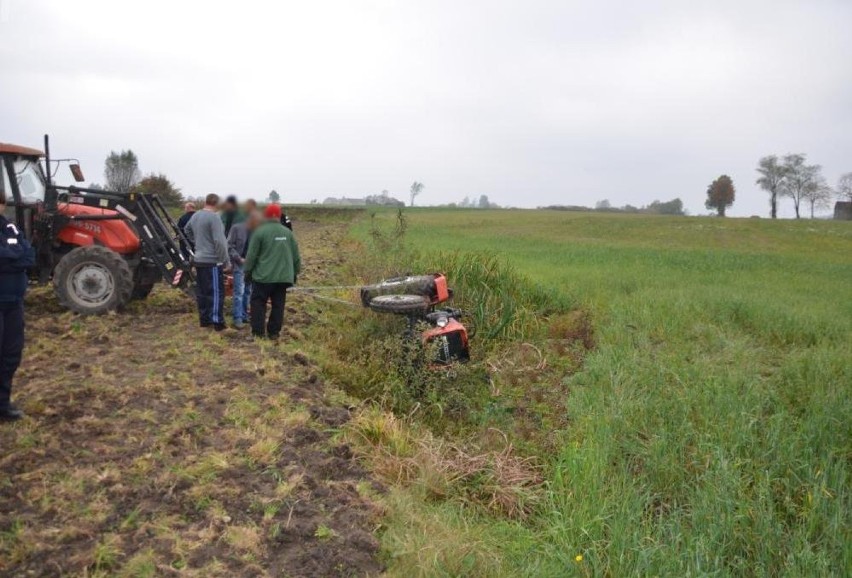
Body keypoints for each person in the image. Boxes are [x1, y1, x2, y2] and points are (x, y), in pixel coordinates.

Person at [0, 194, 35, 421]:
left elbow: (29, 255)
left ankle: (3, 405)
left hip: (14, 302)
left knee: (11, 354)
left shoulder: (10, 227)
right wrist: (15, 256)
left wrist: (11, 257)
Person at [244, 204, 300, 340]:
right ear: (279, 215)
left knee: (258, 303)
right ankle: (274, 333)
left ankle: (258, 333)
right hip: (283, 278)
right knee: (278, 305)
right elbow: (296, 256)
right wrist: (295, 273)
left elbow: (251, 256)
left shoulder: (260, 232)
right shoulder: (288, 233)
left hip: (263, 277)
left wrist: (247, 272)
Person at [186, 194, 230, 331]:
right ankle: (218, 322)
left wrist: (197, 243)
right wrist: (225, 261)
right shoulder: (215, 218)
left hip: (199, 260)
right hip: (212, 261)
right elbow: (220, 242)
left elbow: (187, 230)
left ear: (206, 202)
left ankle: (204, 320)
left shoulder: (196, 216)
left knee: (202, 292)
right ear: (216, 204)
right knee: (216, 292)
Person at [227, 210, 260, 329]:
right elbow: (229, 246)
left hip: (252, 266)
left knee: (248, 291)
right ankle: (237, 318)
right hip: (239, 264)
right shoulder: (236, 228)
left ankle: (245, 315)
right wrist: (238, 258)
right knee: (239, 292)